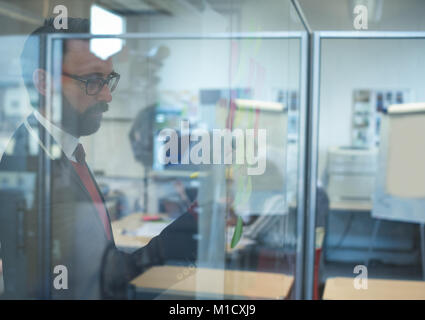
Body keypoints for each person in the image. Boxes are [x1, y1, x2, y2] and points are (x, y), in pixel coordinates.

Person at [0, 18, 198, 299]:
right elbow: (107, 281)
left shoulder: (64, 152)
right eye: (93, 81)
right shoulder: (33, 170)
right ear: (43, 83)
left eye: (108, 81)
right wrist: (193, 226)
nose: (107, 96)